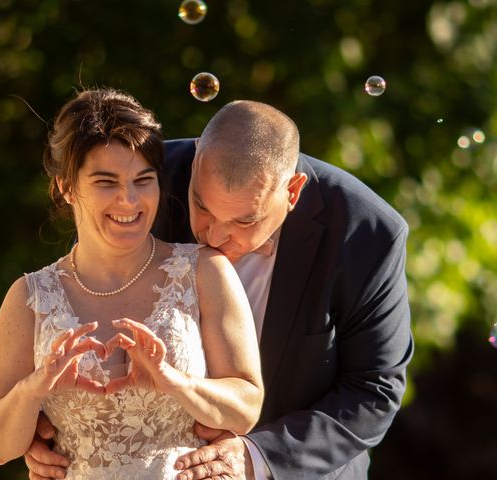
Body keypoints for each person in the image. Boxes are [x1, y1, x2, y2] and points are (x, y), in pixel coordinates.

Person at [25, 99, 413, 480]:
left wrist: (258, 457)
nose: (215, 236)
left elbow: (373, 390)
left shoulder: (367, 234)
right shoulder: (143, 179)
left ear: (292, 192)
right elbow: (83, 298)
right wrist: (47, 422)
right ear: (195, 164)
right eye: (203, 206)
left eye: (245, 220)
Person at [0, 89, 264, 479]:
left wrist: (175, 382)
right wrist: (34, 389)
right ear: (66, 186)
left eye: (143, 180)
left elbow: (246, 409)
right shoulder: (31, 297)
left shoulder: (204, 271)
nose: (129, 201)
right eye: (106, 182)